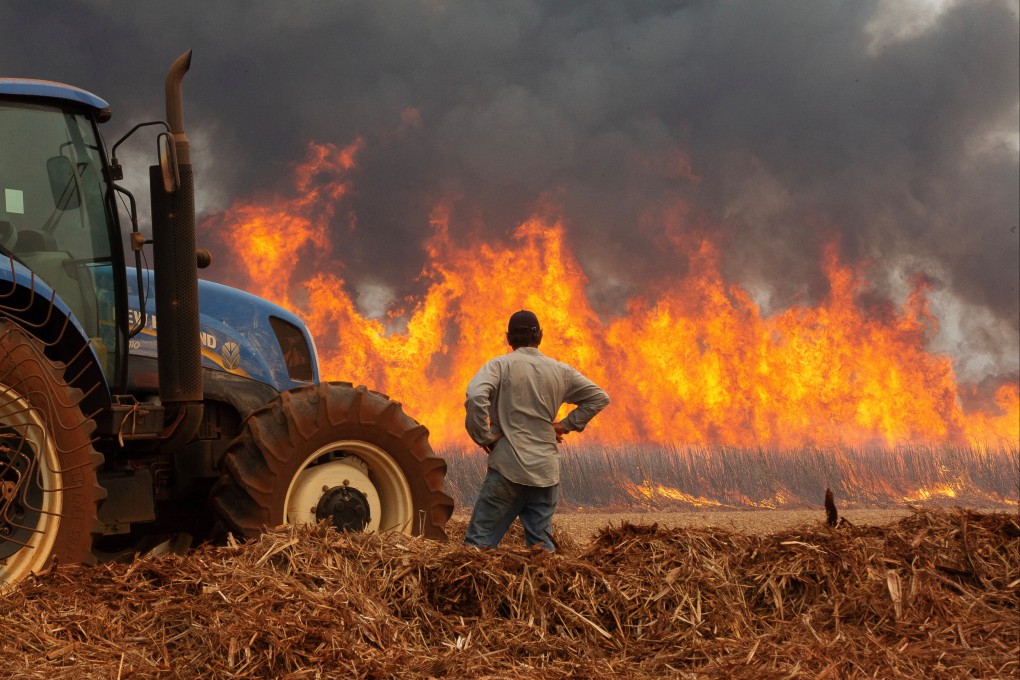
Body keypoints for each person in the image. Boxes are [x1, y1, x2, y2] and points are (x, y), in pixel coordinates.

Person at [463, 310, 610, 551]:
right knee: (542, 552)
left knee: (478, 545)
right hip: (545, 473)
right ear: (540, 336)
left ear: (509, 338)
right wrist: (564, 425)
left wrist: (484, 437)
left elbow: (476, 395)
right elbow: (599, 398)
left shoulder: (499, 366)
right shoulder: (561, 371)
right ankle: (547, 588)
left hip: (507, 469)